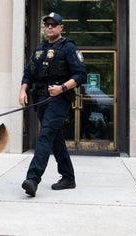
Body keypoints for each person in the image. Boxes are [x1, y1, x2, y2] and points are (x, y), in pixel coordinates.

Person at [19, 12, 87, 197]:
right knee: (54, 137)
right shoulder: (39, 48)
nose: (49, 27)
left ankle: (33, 179)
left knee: (46, 135)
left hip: (59, 99)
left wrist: (62, 88)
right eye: (47, 24)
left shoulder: (68, 48)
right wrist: (23, 90)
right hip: (40, 99)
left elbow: (81, 75)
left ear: (60, 27)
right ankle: (68, 177)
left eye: (53, 24)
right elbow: (28, 73)